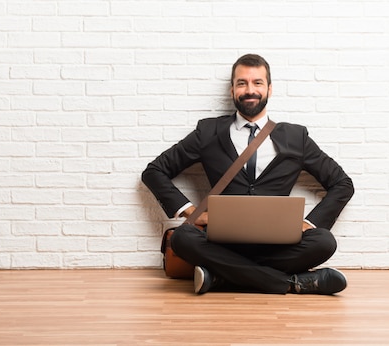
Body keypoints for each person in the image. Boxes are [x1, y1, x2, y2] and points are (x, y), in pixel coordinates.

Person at [142, 54, 354, 295]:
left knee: (324, 241)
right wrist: (191, 212)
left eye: (257, 83)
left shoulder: (296, 137)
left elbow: (342, 183)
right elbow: (154, 171)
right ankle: (294, 283)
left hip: (278, 245)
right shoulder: (208, 132)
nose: (249, 90)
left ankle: (222, 278)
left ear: (269, 89)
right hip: (222, 243)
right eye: (242, 83)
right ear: (232, 90)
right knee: (183, 238)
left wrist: (308, 223)